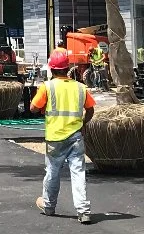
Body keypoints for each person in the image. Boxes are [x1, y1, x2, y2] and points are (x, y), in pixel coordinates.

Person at [30, 50, 95, 225]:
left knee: (52, 172)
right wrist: (82, 124)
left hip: (55, 138)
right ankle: (83, 211)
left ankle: (49, 206)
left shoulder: (47, 87)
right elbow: (90, 110)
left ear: (51, 68)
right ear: (67, 68)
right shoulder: (80, 87)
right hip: (75, 137)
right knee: (78, 173)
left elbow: (33, 108)